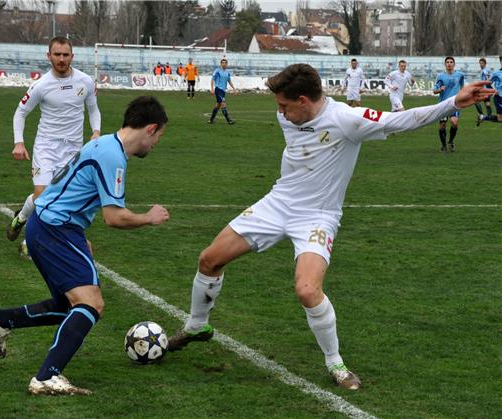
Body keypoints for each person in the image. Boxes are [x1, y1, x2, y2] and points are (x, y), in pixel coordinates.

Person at [167, 63, 493, 391]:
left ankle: (335, 362)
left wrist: (453, 103)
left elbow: (401, 120)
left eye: (284, 105)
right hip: (277, 204)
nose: (279, 112)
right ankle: (197, 325)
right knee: (209, 259)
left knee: (307, 290)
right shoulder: (288, 116)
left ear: (305, 100)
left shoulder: (346, 119)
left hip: (317, 216)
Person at [0, 96, 170, 396]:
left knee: (68, 305)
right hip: (56, 229)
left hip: (50, 226)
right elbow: (114, 218)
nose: (156, 144)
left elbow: (62, 187)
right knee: (90, 303)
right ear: (151, 128)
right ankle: (46, 378)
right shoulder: (113, 156)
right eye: (159, 136)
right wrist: (149, 217)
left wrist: (78, 238)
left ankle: (0, 320)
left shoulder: (103, 144)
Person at [7, 36, 101, 245]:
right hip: (46, 148)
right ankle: (29, 242)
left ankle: (21, 217)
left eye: (65, 55)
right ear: (48, 56)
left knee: (61, 199)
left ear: (72, 56)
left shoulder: (85, 81)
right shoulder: (41, 85)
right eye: (57, 54)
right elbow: (20, 113)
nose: (61, 59)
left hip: (73, 150)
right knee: (42, 198)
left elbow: (93, 109)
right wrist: (19, 142)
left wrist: (96, 131)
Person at [433, 56, 465, 152]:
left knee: (454, 122)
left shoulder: (460, 75)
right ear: (445, 64)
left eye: (451, 62)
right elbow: (434, 91)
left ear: (454, 64)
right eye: (447, 62)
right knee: (442, 125)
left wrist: (462, 96)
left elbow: (462, 87)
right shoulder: (441, 76)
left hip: (455, 104)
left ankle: (450, 141)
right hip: (443, 104)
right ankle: (443, 145)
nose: (449, 64)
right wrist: (440, 89)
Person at [209, 58, 236, 124]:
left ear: (227, 64)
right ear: (221, 64)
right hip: (218, 89)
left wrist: (234, 89)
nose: (224, 64)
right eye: (223, 63)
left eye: (225, 63)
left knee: (218, 105)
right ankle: (228, 120)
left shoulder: (227, 73)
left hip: (223, 91)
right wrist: (212, 89)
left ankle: (211, 120)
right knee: (223, 104)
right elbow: (212, 80)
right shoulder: (217, 71)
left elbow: (229, 81)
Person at [477, 56, 502, 125]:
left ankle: (483, 117)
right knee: (500, 118)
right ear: (500, 62)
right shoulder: (497, 73)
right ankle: (484, 117)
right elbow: (488, 82)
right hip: (499, 97)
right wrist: (494, 90)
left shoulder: (486, 71)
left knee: (500, 118)